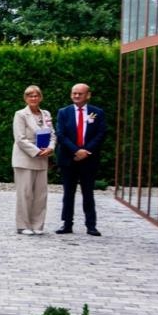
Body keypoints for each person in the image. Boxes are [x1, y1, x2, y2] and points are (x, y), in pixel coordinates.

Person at [55, 83, 107, 236]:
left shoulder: (97, 113)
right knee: (68, 193)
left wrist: (86, 151)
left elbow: (101, 133)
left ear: (88, 95)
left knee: (88, 193)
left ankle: (91, 225)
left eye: (80, 93)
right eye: (74, 93)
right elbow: (61, 134)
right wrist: (76, 150)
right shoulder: (63, 112)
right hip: (68, 158)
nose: (76, 96)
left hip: (89, 159)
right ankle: (67, 224)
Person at [11, 85, 56, 235]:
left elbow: (52, 134)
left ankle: (37, 225)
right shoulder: (20, 114)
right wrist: (36, 152)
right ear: (25, 98)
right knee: (25, 194)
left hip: (43, 159)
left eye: (36, 96)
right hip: (25, 159)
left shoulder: (46, 114)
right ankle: (23, 225)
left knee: (40, 194)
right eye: (30, 96)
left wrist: (51, 148)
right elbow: (20, 138)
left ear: (40, 97)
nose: (33, 98)